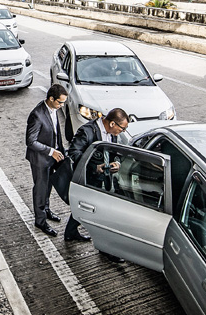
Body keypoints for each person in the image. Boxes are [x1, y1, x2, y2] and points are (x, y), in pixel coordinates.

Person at [62, 108, 129, 245]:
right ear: (112, 124)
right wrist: (94, 167)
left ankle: (70, 232)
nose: (122, 132)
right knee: (100, 211)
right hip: (89, 178)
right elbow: (74, 153)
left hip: (105, 179)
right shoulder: (86, 131)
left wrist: (116, 161)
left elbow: (115, 151)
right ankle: (105, 246)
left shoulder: (112, 133)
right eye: (122, 128)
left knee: (86, 206)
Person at [26, 85, 68, 236]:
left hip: (53, 157)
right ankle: (40, 221)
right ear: (51, 99)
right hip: (40, 159)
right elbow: (30, 141)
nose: (62, 106)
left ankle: (47, 210)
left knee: (48, 186)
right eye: (60, 103)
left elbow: (56, 133)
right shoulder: (37, 115)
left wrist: (60, 151)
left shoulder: (53, 109)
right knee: (40, 189)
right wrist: (51, 151)